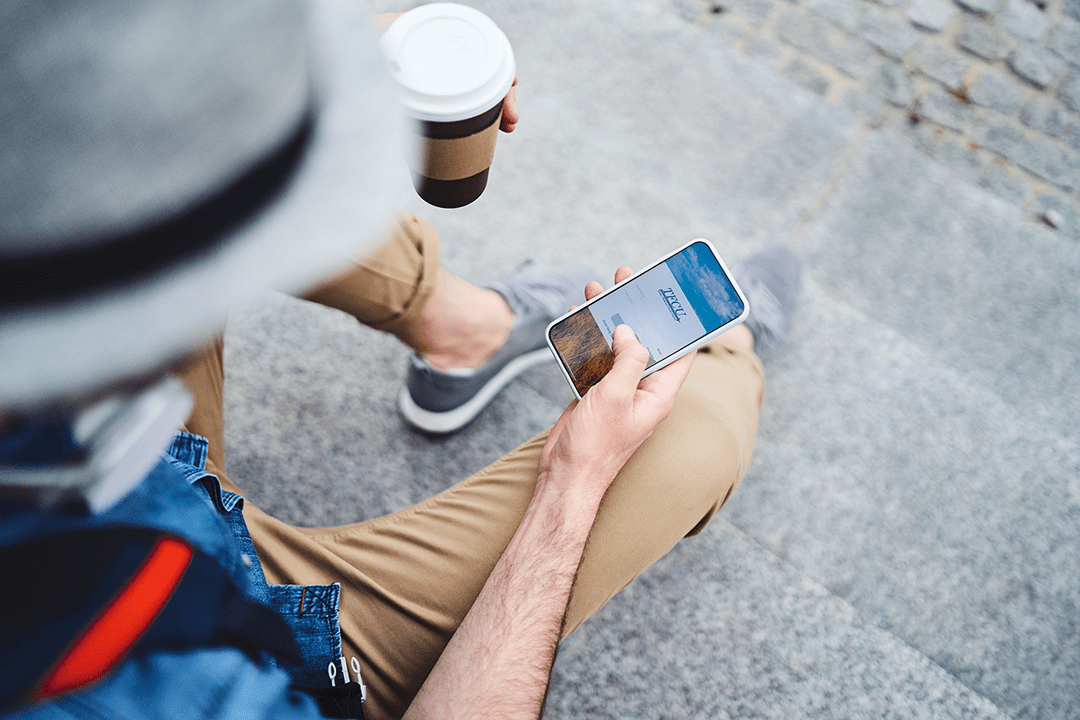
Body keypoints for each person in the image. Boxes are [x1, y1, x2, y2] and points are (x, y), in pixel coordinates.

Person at [0, 2, 801, 720]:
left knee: (181, 168)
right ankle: (726, 341)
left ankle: (471, 330)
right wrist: (572, 485)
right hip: (240, 633)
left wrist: (314, 55)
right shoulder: (173, 697)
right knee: (691, 425)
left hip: (113, 484)